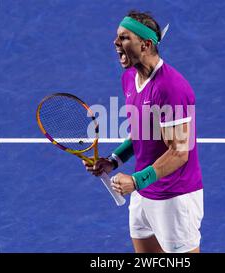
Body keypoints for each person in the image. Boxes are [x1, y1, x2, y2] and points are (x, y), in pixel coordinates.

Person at [83, 10, 203, 253]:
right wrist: (113, 161)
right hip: (144, 192)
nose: (116, 43)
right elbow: (142, 131)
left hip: (174, 198)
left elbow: (180, 152)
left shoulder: (171, 88)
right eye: (118, 37)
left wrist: (136, 181)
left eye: (124, 38)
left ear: (146, 44)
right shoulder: (129, 78)